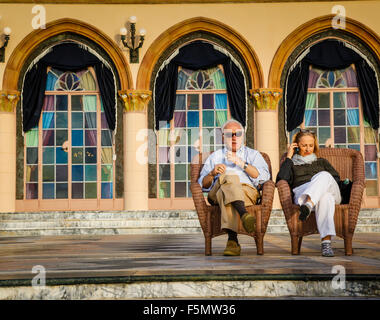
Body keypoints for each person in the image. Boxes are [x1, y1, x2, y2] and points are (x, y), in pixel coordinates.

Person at [198, 119, 270, 256]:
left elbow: (264, 177)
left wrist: (242, 163)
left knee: (226, 192)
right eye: (229, 134)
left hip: (246, 192)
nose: (234, 137)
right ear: (223, 137)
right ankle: (244, 214)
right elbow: (202, 184)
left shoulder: (253, 154)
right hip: (216, 191)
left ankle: (233, 240)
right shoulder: (215, 157)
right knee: (229, 178)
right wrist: (212, 173)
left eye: (238, 133)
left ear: (243, 135)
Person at [276, 129, 341, 257]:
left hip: (330, 191)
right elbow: (281, 179)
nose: (307, 148)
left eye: (311, 145)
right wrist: (289, 157)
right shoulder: (292, 163)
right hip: (302, 193)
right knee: (325, 197)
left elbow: (336, 179)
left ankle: (309, 204)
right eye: (304, 145)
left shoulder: (321, 162)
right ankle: (326, 244)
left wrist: (319, 184)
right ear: (296, 145)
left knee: (324, 176)